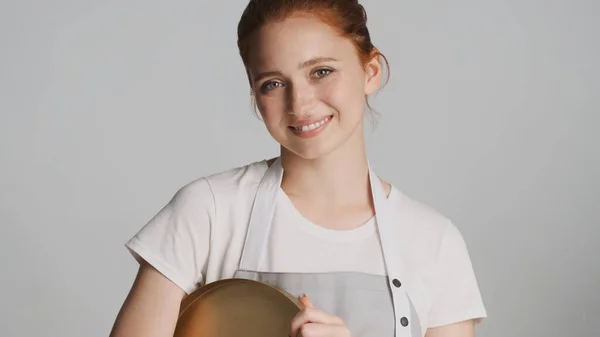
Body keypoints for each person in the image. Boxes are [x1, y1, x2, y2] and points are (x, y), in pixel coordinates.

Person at [109, 1, 487, 337]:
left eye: (321, 71)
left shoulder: (433, 242)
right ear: (256, 96)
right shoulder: (208, 211)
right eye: (273, 83)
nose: (300, 103)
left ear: (371, 71)